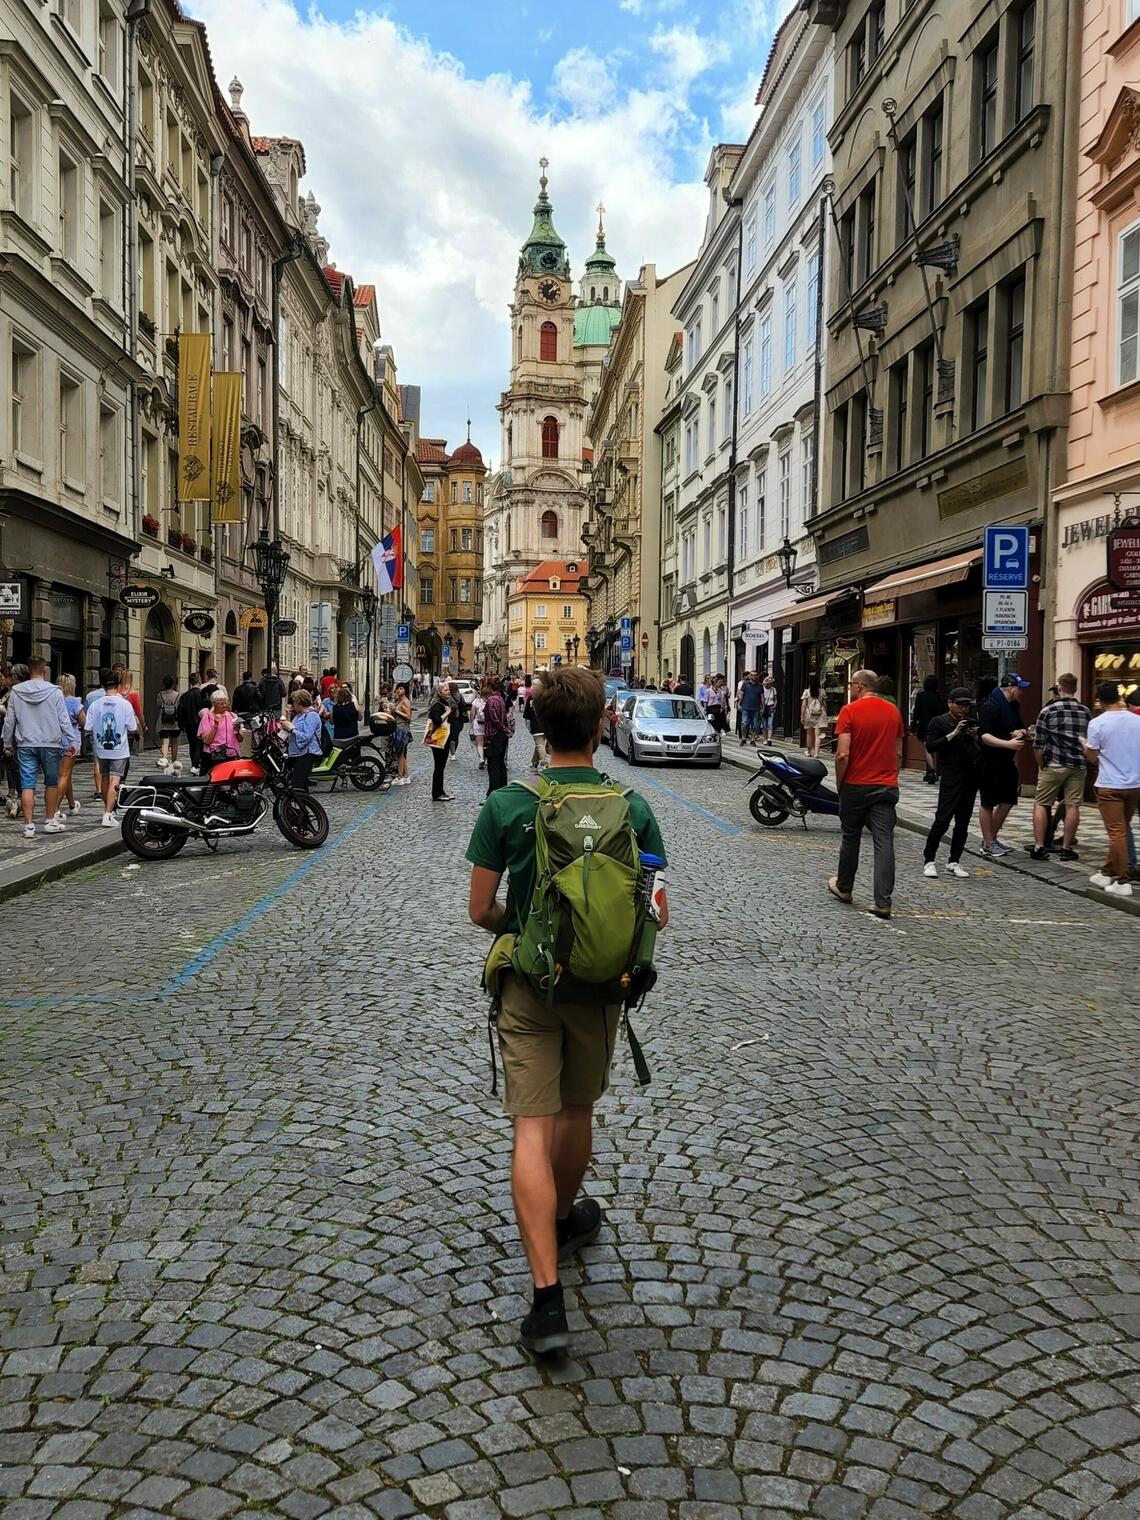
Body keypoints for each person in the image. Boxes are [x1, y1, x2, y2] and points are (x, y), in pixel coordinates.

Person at [465, 666, 669, 1354]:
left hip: (530, 984)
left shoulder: (508, 805)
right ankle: (564, 1216)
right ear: (602, 723)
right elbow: (657, 910)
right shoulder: (632, 806)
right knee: (578, 1113)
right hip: (600, 987)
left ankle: (547, 1302)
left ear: (539, 726)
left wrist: (523, 927)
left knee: (531, 1125)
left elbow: (478, 910)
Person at [828, 669, 905, 919]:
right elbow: (898, 753)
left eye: (851, 684)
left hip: (856, 784)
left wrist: (841, 783)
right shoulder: (893, 712)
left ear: (860, 686)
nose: (849, 688)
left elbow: (842, 754)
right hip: (885, 785)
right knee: (884, 841)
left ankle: (844, 886)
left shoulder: (849, 711)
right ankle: (883, 901)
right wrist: (893, 778)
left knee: (851, 837)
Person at [1, 656, 77, 836]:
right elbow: (64, 720)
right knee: (51, 783)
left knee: (28, 785)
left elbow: (9, 721)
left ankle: (28, 825)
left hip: (26, 743)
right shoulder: (55, 691)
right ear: (44, 670)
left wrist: (6, 743)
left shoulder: (17, 692)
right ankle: (50, 820)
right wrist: (71, 741)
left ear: (29, 669)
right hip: (51, 743)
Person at [1084, 680, 1140, 897]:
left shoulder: (1098, 723)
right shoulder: (1136, 720)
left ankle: (1123, 879)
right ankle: (1107, 871)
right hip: (1134, 784)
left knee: (1116, 832)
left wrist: (1085, 748)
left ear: (1099, 700)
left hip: (1110, 784)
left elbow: (1092, 756)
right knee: (1122, 828)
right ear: (1118, 697)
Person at [1029, 673, 1090, 861]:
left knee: (1041, 803)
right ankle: (1066, 848)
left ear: (1060, 688)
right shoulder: (1085, 711)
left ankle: (1039, 846)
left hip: (1054, 763)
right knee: (1073, 806)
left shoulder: (1048, 711)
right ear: (1075, 688)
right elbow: (1090, 739)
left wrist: (1042, 764)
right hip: (1078, 764)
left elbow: (1038, 743)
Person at [921, 688, 979, 879]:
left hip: (970, 776)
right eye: (960, 704)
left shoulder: (970, 723)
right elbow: (931, 746)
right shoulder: (939, 722)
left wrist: (974, 736)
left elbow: (980, 750)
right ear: (949, 703)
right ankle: (929, 860)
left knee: (963, 822)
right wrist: (953, 733)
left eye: (966, 705)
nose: (963, 709)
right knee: (942, 820)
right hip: (951, 775)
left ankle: (954, 861)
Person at [977, 672, 1031, 858]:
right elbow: (984, 736)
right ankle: (988, 842)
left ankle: (991, 838)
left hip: (1007, 760)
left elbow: (1019, 727)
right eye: (1019, 688)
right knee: (988, 801)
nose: (1022, 692)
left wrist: (1020, 732)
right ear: (1010, 688)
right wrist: (1008, 743)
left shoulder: (1013, 706)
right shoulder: (989, 706)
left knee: (1008, 799)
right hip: (990, 760)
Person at [85, 668, 137, 826]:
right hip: (119, 748)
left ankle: (106, 810)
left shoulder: (95, 704)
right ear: (118, 685)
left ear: (103, 685)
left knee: (105, 777)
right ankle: (108, 813)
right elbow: (132, 727)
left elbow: (87, 727)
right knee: (115, 778)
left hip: (101, 748)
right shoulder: (125, 704)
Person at [279, 690, 323, 792]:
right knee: (301, 783)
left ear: (299, 702)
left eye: (294, 702)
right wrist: (287, 718)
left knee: (297, 783)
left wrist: (291, 730)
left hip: (307, 752)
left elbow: (307, 736)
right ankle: (304, 804)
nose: (293, 705)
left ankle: (302, 803)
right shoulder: (299, 715)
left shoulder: (311, 715)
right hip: (297, 753)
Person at [55, 674, 85, 821]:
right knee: (64, 776)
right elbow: (84, 722)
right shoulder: (75, 703)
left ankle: (72, 805)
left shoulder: (53, 700)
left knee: (66, 776)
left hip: (54, 740)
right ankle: (55, 810)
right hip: (70, 740)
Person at [911, 674, 947, 783]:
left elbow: (916, 712)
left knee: (927, 748)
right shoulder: (940, 696)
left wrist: (913, 726)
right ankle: (939, 771)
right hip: (938, 725)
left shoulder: (921, 696)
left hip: (925, 725)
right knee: (939, 747)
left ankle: (931, 771)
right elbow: (944, 711)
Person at [197, 691, 243, 772]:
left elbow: (240, 739)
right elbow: (206, 740)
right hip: (214, 757)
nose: (225, 705)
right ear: (214, 704)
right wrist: (215, 725)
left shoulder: (233, 716)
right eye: (221, 703)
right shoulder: (207, 718)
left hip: (232, 755)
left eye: (226, 702)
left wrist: (238, 731)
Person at [483, 675, 511, 794]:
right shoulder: (500, 698)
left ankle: (492, 791)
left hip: (494, 735)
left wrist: (504, 729)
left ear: (489, 686)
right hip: (501, 736)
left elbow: (495, 720)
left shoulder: (490, 701)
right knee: (500, 763)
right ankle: (502, 788)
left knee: (493, 764)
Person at [426, 684, 453, 801]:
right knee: (439, 767)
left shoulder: (443, 703)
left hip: (443, 739)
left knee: (441, 767)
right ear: (439, 693)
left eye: (449, 690)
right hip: (438, 741)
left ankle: (441, 791)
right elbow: (436, 720)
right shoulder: (437, 705)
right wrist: (447, 712)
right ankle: (436, 793)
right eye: (446, 690)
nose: (449, 692)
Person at [177, 673, 205, 774]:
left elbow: (180, 712)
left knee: (192, 744)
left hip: (189, 724)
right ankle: (196, 765)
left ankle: (194, 763)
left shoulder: (184, 696)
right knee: (199, 745)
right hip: (200, 723)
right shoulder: (202, 694)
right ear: (199, 681)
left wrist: (181, 725)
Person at [155, 675, 182, 771]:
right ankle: (174, 761)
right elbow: (179, 708)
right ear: (173, 684)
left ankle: (164, 760)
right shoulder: (178, 695)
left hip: (163, 722)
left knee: (165, 743)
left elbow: (158, 706)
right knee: (175, 743)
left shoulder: (160, 695)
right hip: (175, 722)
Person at [391, 682, 413, 785]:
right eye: (397, 689)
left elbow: (408, 716)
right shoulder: (398, 701)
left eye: (401, 688)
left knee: (400, 753)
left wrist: (396, 711)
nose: (399, 690)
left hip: (402, 729)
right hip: (398, 728)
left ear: (405, 690)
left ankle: (400, 777)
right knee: (401, 753)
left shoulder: (405, 701)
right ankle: (406, 776)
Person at [523, 682, 549, 771]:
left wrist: (528, 727)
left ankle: (544, 763)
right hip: (547, 725)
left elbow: (527, 715)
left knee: (539, 745)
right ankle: (534, 763)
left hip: (536, 726)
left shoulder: (531, 699)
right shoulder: (547, 698)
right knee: (539, 745)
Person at [800, 679, 828, 759]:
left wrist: (802, 716)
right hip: (820, 714)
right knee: (818, 735)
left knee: (809, 734)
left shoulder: (807, 692)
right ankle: (816, 753)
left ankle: (809, 752)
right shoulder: (822, 692)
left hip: (809, 715)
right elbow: (825, 705)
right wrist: (826, 712)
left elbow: (803, 705)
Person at [119, 669, 145, 753]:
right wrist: (143, 725)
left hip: (117, 725)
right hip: (129, 727)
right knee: (127, 750)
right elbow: (139, 713)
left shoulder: (116, 692)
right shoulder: (133, 695)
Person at [738, 672, 763, 745]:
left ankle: (752, 739)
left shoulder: (760, 686)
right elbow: (741, 695)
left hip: (755, 708)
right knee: (744, 723)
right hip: (745, 707)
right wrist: (739, 704)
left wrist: (763, 706)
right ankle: (743, 738)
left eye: (755, 675)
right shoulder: (745, 685)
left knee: (754, 725)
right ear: (750, 676)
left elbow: (762, 697)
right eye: (752, 675)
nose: (754, 677)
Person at [469, 686, 487, 768]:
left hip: (478, 723)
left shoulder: (476, 701)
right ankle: (486, 759)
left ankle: (481, 759)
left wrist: (471, 724)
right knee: (487, 743)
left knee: (479, 744)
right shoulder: (490, 701)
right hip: (487, 725)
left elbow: (472, 713)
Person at [760, 673, 778, 743]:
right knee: (764, 724)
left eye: (772, 683)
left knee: (770, 723)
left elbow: (775, 699)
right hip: (764, 707)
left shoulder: (773, 689)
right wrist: (761, 707)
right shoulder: (762, 689)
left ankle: (769, 738)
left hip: (771, 707)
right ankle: (765, 738)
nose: (771, 684)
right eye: (770, 683)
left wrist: (775, 705)